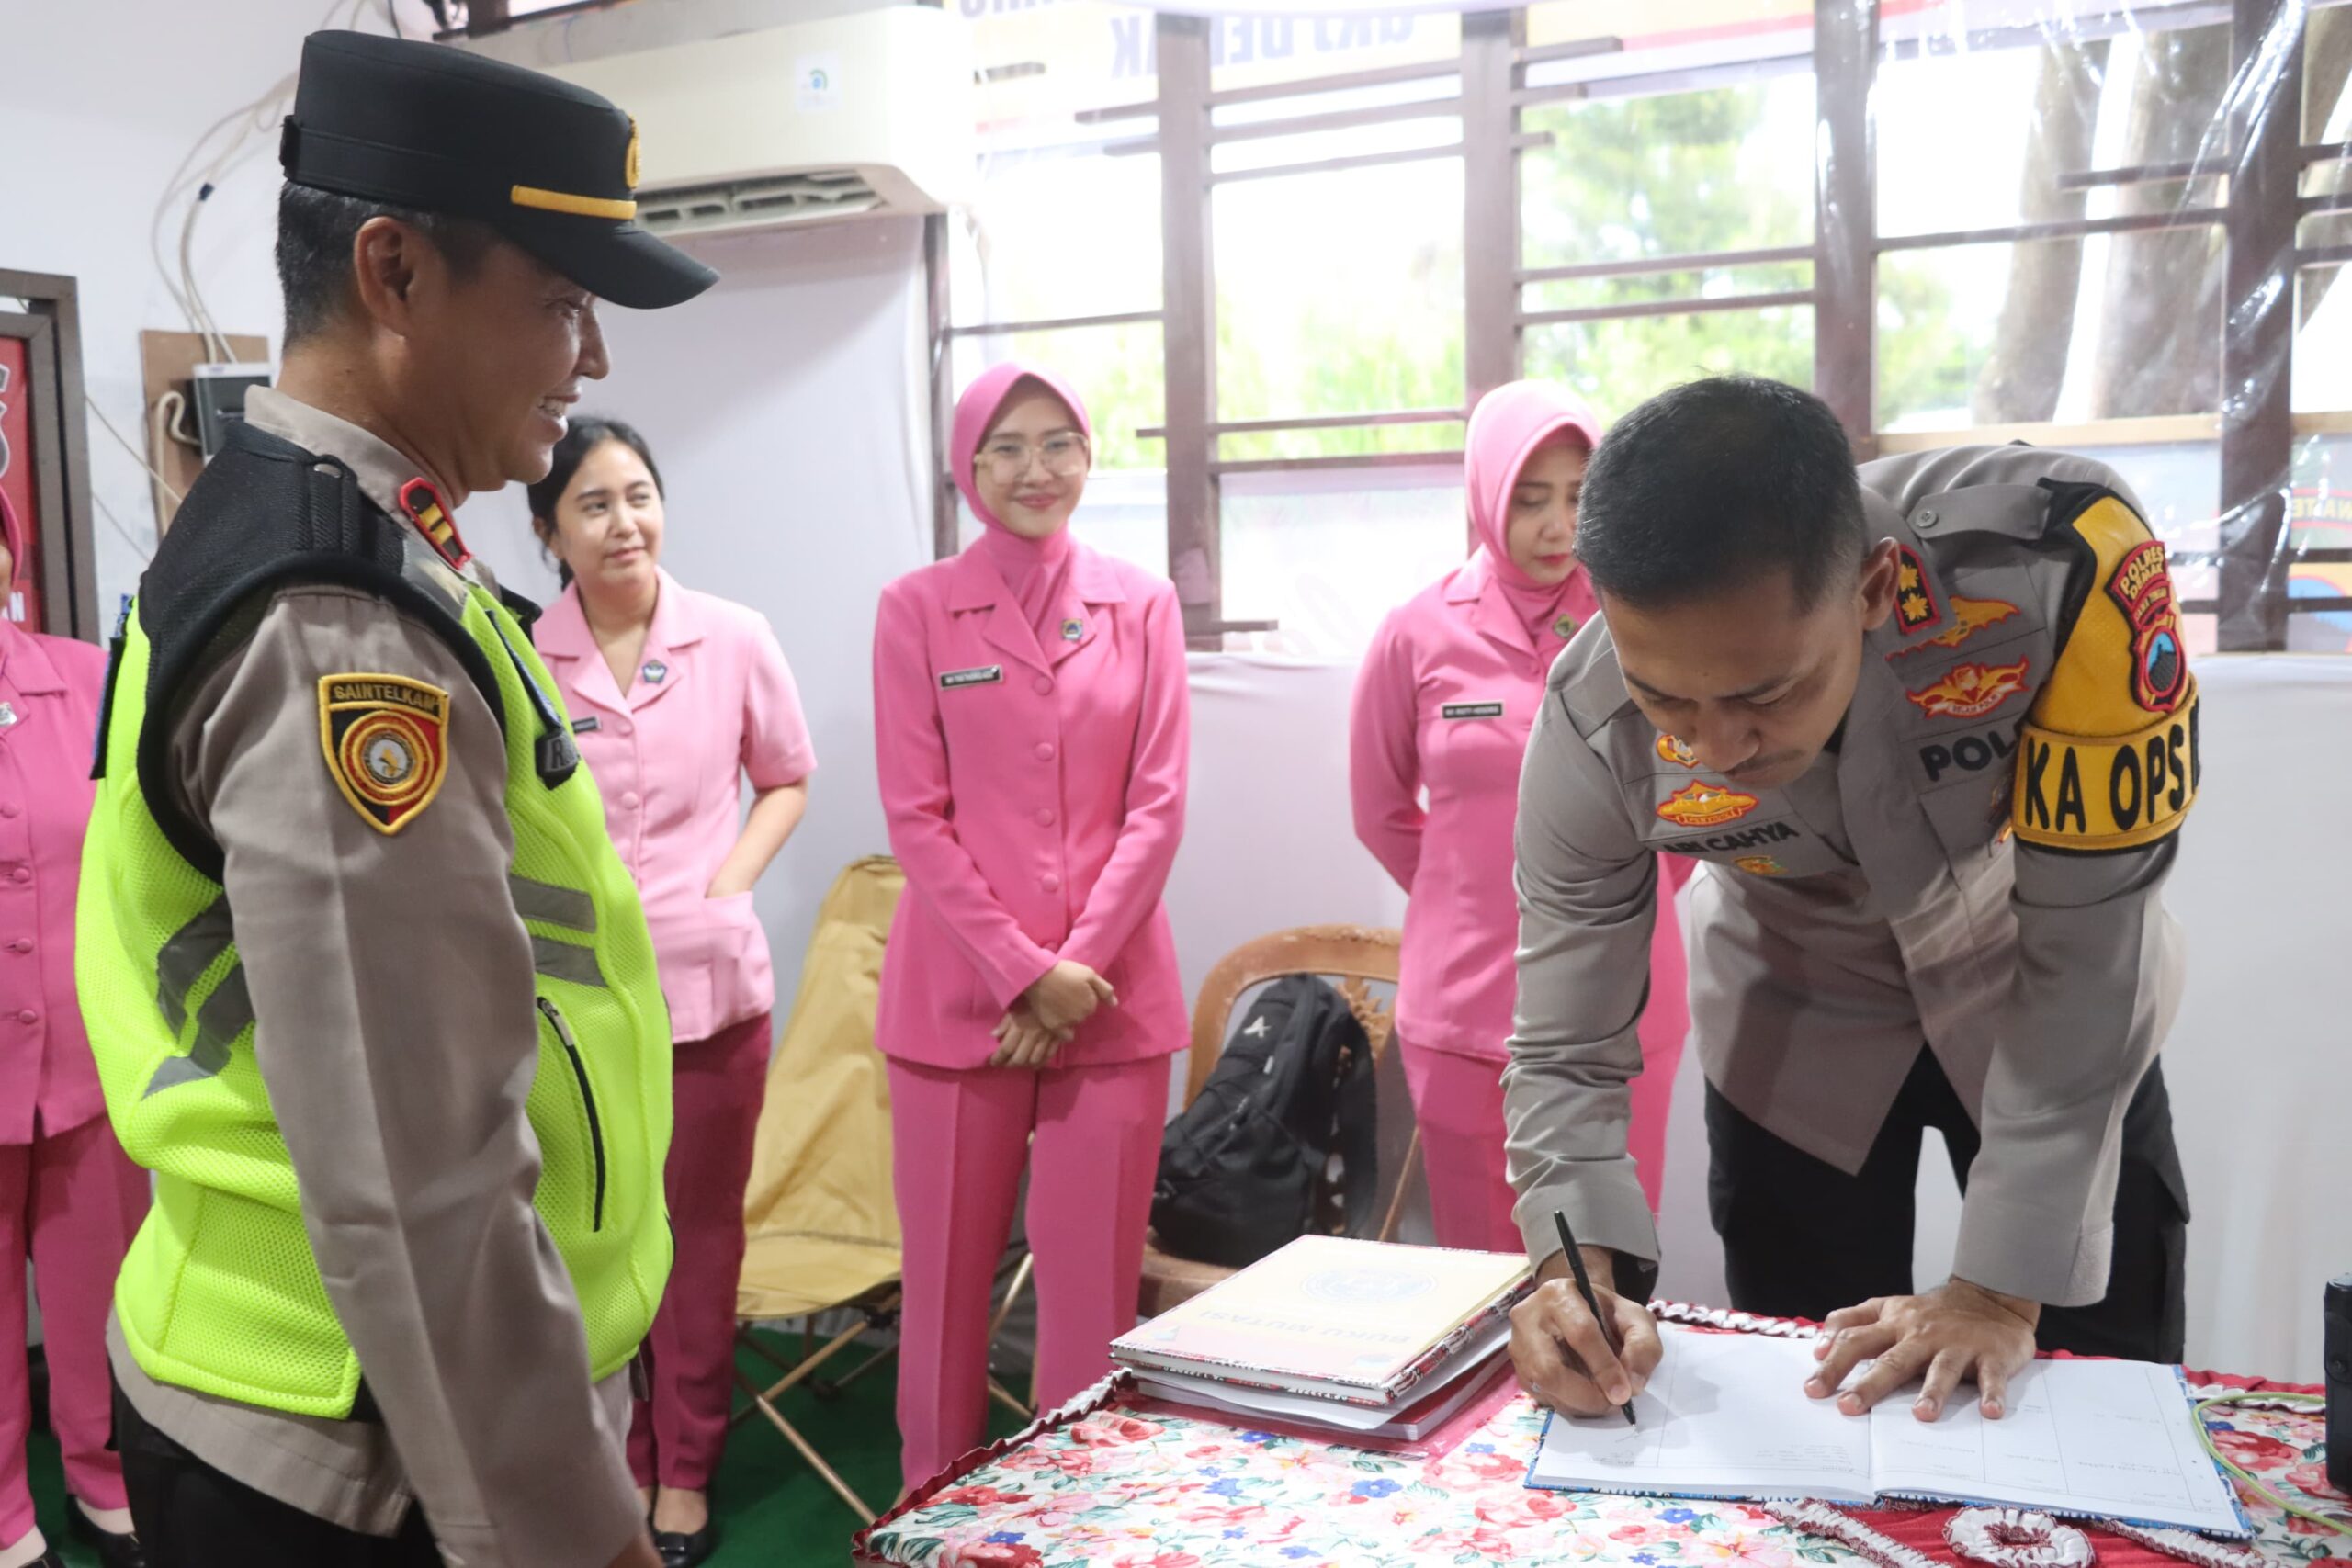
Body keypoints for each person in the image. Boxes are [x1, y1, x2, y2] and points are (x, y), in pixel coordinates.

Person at [75, 30, 715, 1568]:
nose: (591, 360)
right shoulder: (335, 622)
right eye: (560, 302)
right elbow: (414, 1175)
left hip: (364, 1404)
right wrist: (572, 1533)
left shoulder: (346, 537)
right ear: (396, 272)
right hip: (360, 1444)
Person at [1502, 376, 2193, 1426]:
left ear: (1872, 588)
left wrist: (1997, 1290)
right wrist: (1570, 1270)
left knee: (2095, 1386)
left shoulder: (2059, 565)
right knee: (1809, 1399)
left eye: (1763, 693)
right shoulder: (1588, 724)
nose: (1711, 748)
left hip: (2038, 989)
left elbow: (2093, 939)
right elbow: (1564, 1045)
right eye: (1666, 699)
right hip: (1792, 1025)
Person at [872, 361, 1189, 1489]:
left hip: (1111, 1003)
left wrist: (1072, 973)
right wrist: (1022, 973)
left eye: (1059, 442)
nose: (1034, 468)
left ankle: (1074, 1528)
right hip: (956, 1008)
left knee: (1093, 1305)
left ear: (1089, 455)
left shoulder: (1142, 603)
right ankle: (930, 1527)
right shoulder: (915, 608)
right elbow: (915, 818)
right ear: (967, 466)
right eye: (1005, 446)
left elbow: (1158, 806)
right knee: (945, 1300)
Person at [530, 418, 814, 1567]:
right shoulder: (521, 655)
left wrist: (728, 883)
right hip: (574, 1009)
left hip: (709, 995)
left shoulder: (732, 637)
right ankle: (616, 1456)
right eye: (592, 504)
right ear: (549, 529)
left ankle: (685, 1467)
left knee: (698, 1242)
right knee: (594, 1236)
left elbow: (786, 777)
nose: (624, 524)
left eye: (639, 495)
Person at [1349, 380, 1688, 1252]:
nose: (1557, 525)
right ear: (1485, 494)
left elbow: (1692, 797)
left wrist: (1619, 897)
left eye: (1579, 497)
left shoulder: (1646, 620)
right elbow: (1381, 810)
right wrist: (1473, 895)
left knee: (1608, 1267)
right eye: (1530, 499)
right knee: (1486, 1277)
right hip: (1464, 1002)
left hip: (1625, 994)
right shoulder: (1417, 631)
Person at [0, 491, 149, 1568]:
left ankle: (110, 1479)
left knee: (105, 1288)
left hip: (89, 1059)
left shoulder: (91, 682)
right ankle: (5, 1511)